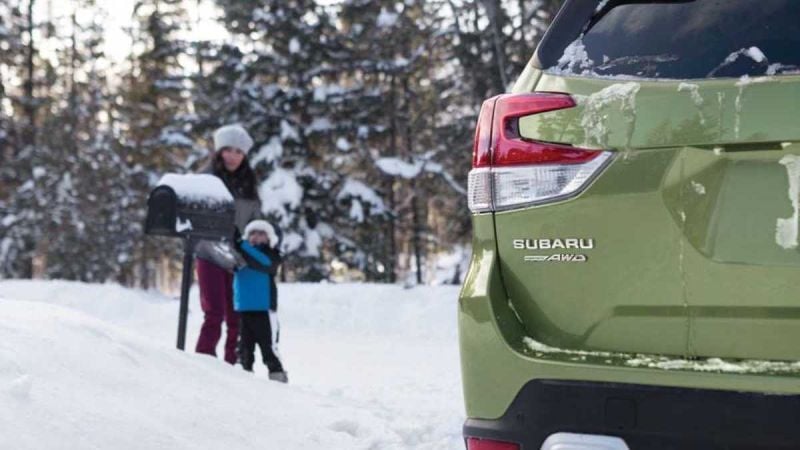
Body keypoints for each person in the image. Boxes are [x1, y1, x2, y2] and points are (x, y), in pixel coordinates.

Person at [193, 124, 262, 364]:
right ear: (219, 151)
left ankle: (233, 369)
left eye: (239, 152)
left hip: (238, 259)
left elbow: (256, 221)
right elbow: (194, 216)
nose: (233, 156)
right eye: (228, 150)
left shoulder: (249, 184)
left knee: (237, 317)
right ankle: (203, 364)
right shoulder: (206, 179)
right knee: (214, 313)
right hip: (209, 254)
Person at [233, 219, 287, 382]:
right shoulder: (242, 253)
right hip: (243, 309)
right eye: (252, 233)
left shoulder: (272, 255)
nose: (256, 237)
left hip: (264, 310)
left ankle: (277, 376)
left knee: (268, 348)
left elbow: (263, 262)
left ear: (270, 238)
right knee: (244, 349)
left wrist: (242, 244)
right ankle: (245, 377)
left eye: (261, 233)